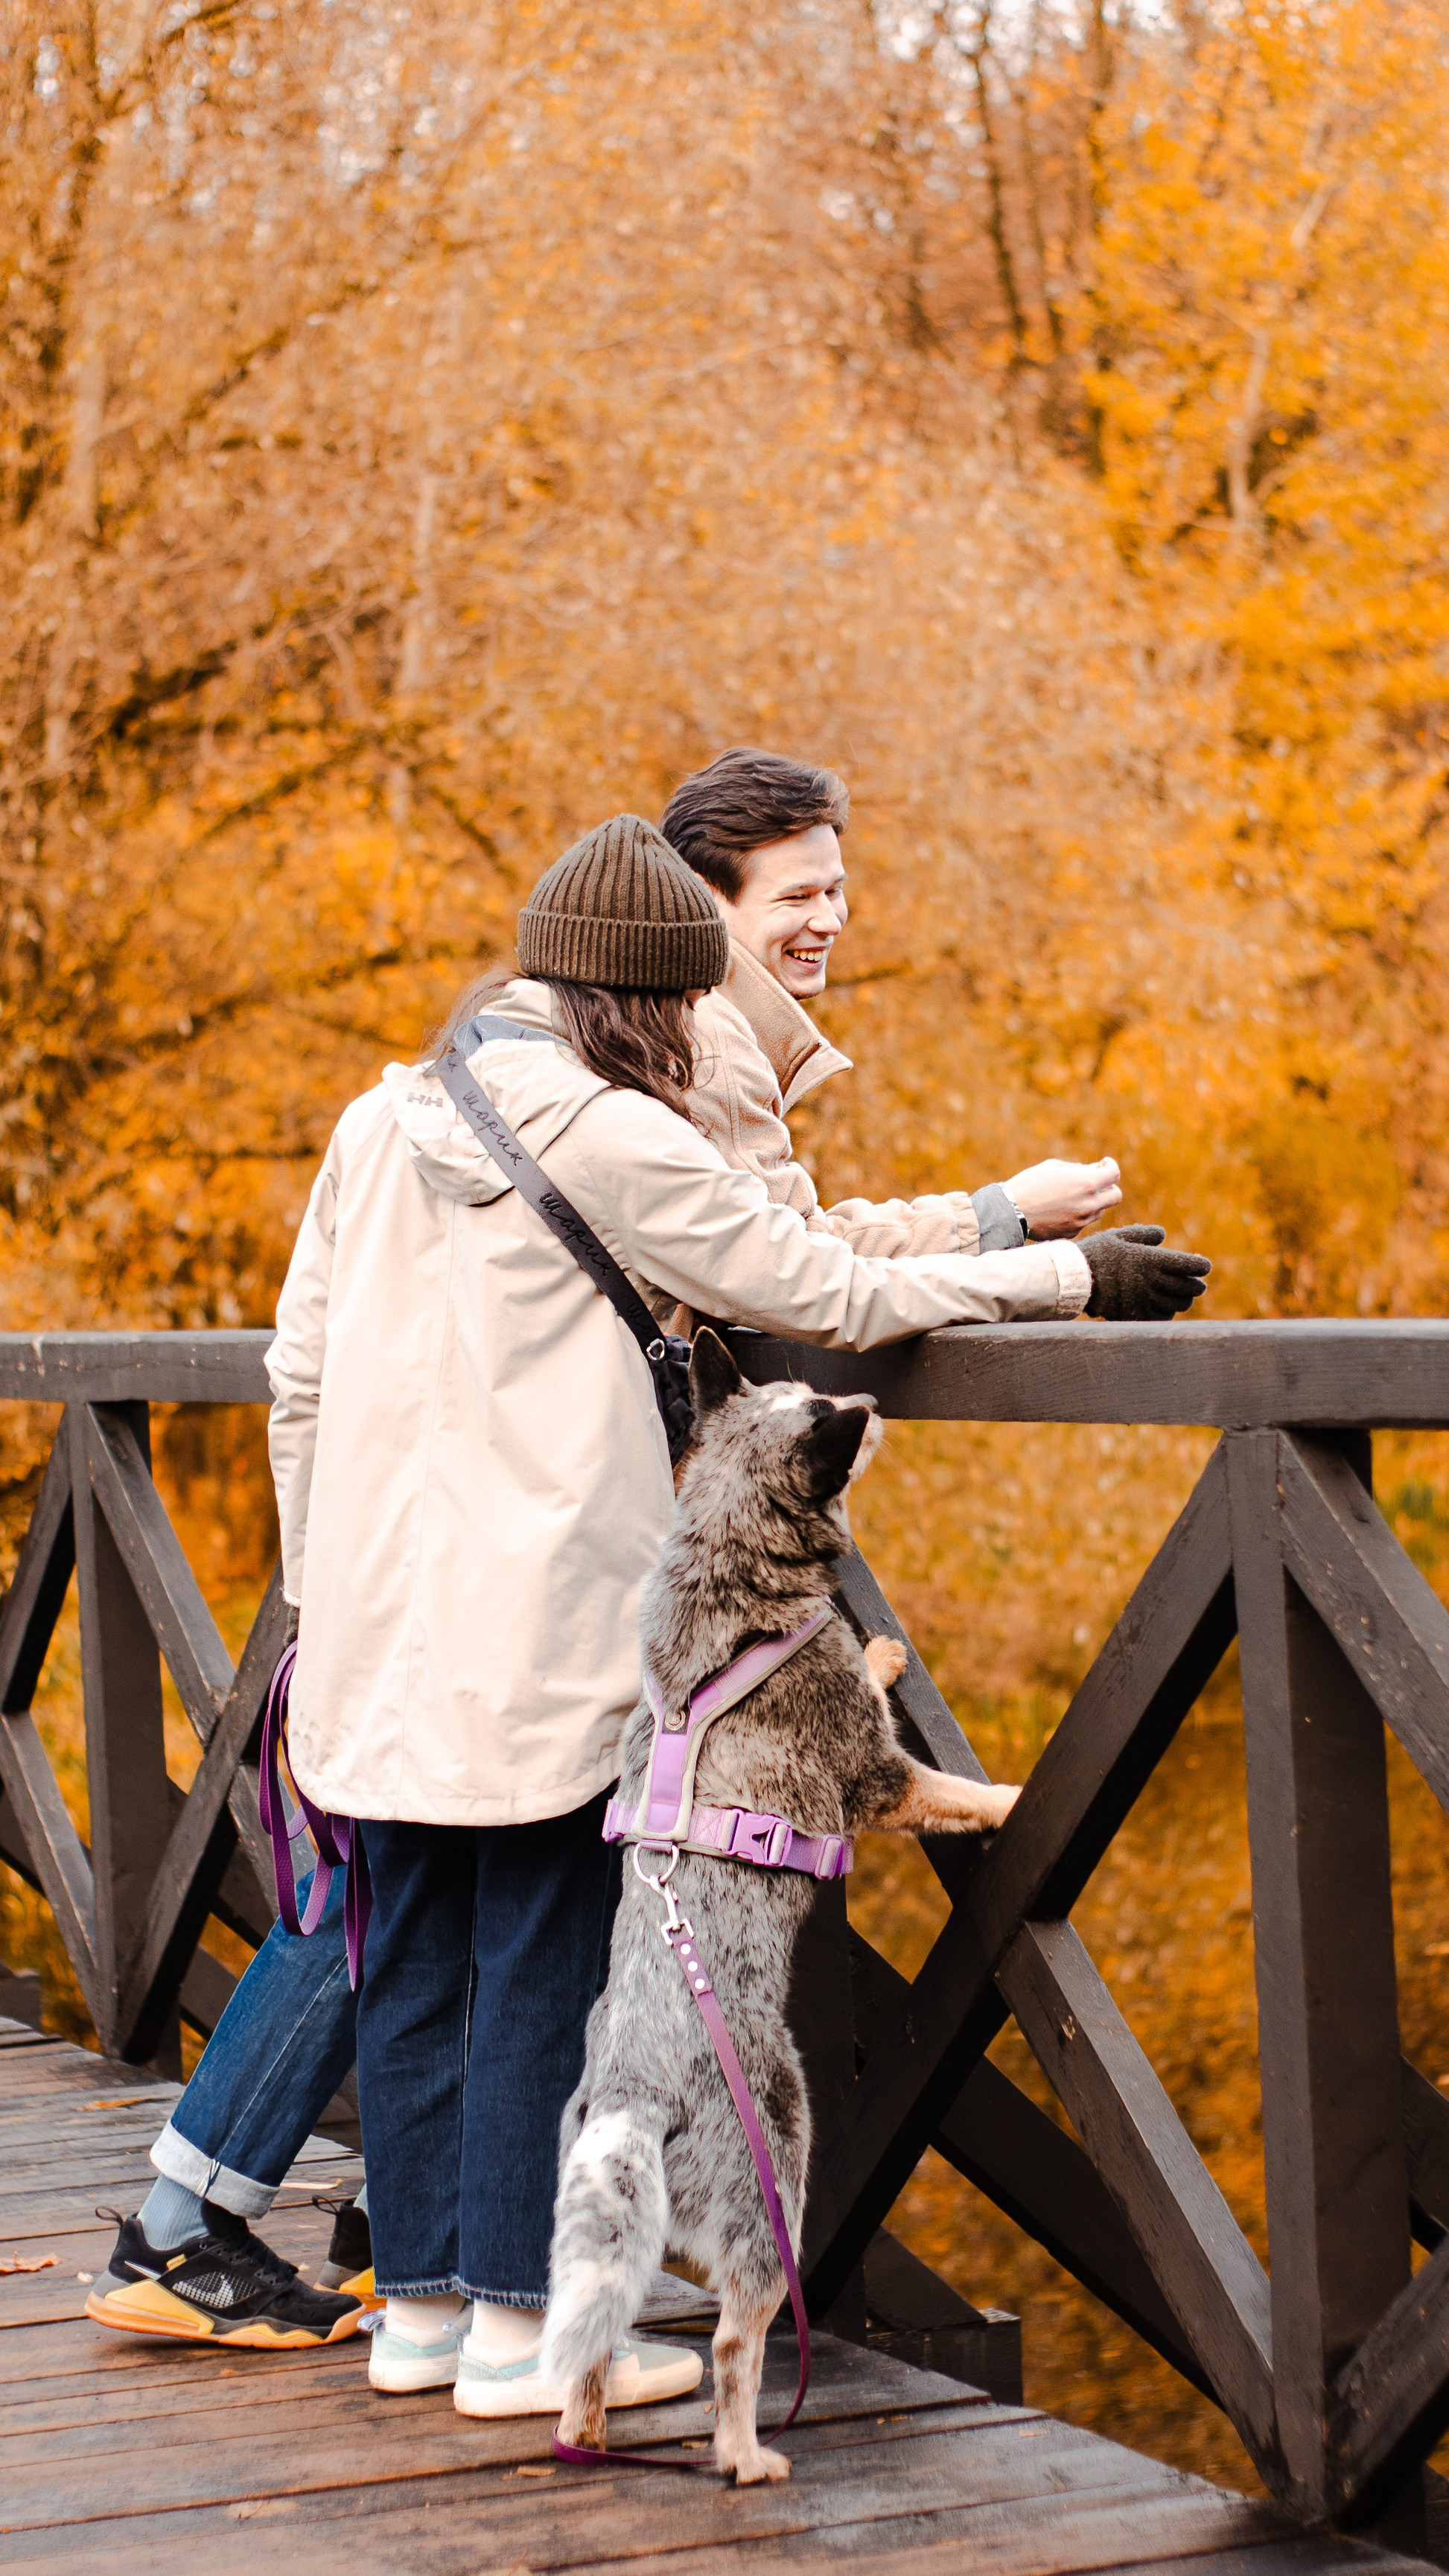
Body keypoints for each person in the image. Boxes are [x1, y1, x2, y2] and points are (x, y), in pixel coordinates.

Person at [90, 789, 1206, 2355]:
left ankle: (415, 2316)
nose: (698, 1026)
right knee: (546, 1966)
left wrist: (321, 1576)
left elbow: (299, 1377)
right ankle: (520, 2330)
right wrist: (1061, 1271)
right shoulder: (615, 1131)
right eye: (686, 995)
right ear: (641, 991)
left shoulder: (376, 1114)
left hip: (374, 1629)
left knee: (406, 1963)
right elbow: (817, 1280)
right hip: (546, 1630)